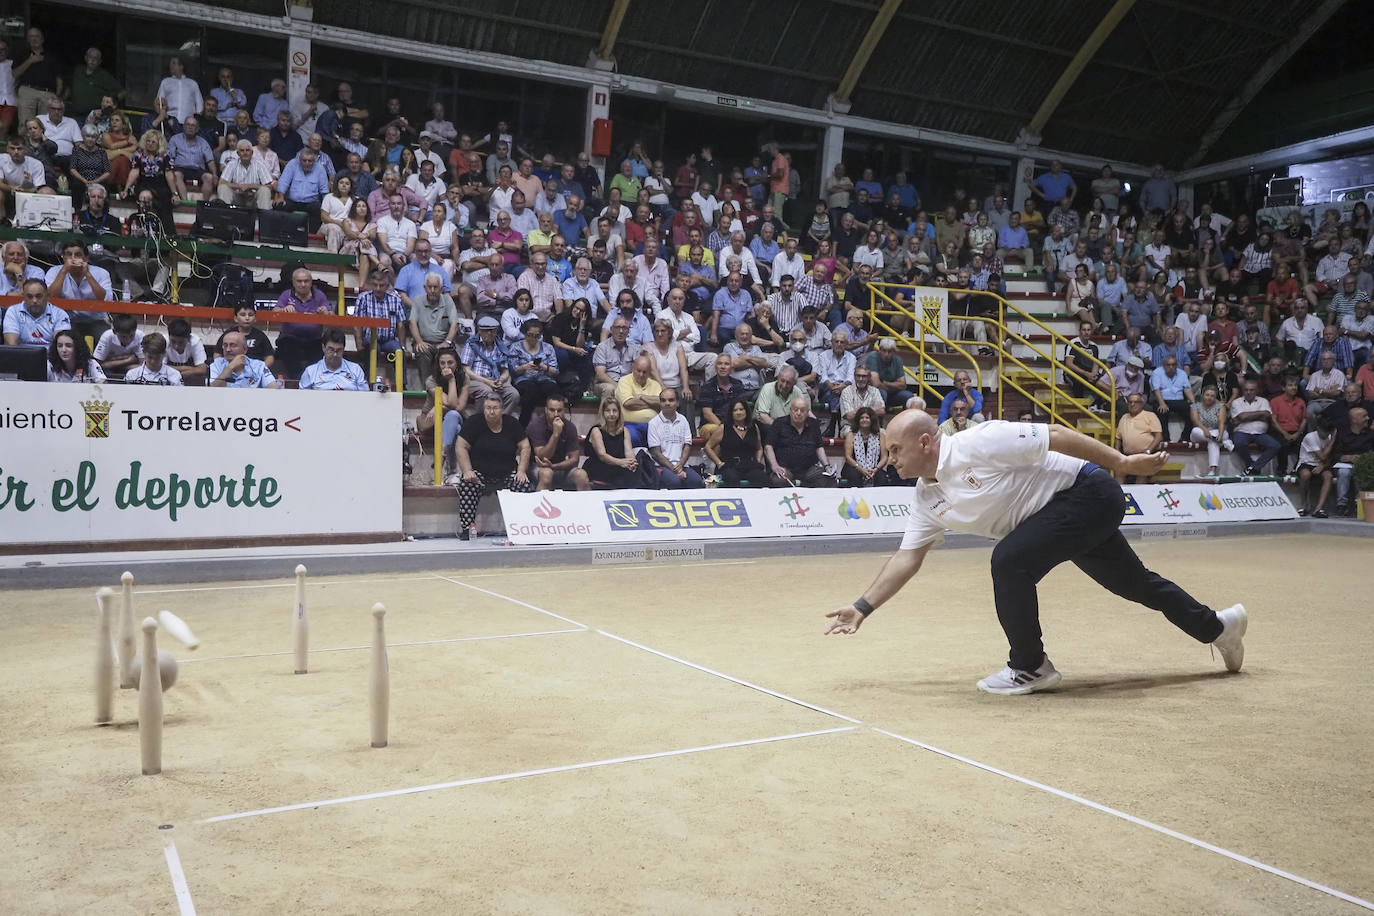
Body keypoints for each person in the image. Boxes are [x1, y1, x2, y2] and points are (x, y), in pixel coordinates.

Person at [822, 413, 1248, 694]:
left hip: (1087, 492)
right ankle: (1219, 628)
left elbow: (1056, 436)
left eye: (895, 449)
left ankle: (1030, 666)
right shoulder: (925, 498)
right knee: (1135, 584)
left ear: (926, 442)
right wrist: (863, 607)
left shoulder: (979, 441)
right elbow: (907, 557)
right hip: (1059, 516)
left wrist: (1124, 461)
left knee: (1009, 561)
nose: (889, 458)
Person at [453, 395, 533, 538]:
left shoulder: (512, 424)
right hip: (480, 474)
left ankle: (521, 527)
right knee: (467, 483)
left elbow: (525, 446)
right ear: (484, 409)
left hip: (507, 473)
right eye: (488, 408)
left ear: (502, 409)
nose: (491, 412)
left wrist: (521, 471)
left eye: (495, 408)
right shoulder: (473, 422)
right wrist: (467, 470)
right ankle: (467, 528)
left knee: (523, 484)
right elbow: (461, 446)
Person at [416, 348, 469, 478]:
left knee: (453, 416)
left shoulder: (464, 378)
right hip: (432, 422)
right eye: (442, 363)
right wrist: (439, 407)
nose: (446, 366)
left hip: (453, 417)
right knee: (455, 426)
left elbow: (459, 407)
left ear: (457, 363)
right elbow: (451, 404)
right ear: (438, 364)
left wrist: (440, 406)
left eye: (450, 362)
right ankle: (452, 472)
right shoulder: (431, 380)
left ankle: (441, 457)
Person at [766, 395, 838, 488]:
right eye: (795, 410)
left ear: (808, 412)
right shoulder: (779, 423)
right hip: (785, 468)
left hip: (809, 469)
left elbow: (819, 447)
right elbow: (768, 446)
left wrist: (827, 466)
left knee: (829, 479)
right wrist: (774, 465)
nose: (798, 413)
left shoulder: (814, 424)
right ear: (790, 410)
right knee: (778, 480)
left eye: (802, 410)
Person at [1317, 407, 1372, 517]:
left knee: (1361, 472)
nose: (1368, 418)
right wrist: (1345, 457)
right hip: (1344, 465)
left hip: (1363, 465)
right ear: (1354, 420)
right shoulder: (1342, 434)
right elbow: (1335, 454)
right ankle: (1342, 505)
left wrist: (1363, 458)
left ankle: (1359, 503)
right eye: (1364, 416)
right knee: (1344, 472)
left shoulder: (1371, 435)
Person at [526, 394, 589, 492]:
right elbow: (542, 457)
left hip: (560, 466)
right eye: (552, 410)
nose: (556, 414)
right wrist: (555, 435)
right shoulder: (536, 425)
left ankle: (586, 506)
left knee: (581, 475)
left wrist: (554, 466)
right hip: (538, 467)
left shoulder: (570, 427)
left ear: (564, 410)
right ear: (546, 410)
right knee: (547, 474)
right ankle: (540, 505)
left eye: (559, 410)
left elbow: (575, 460)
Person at [461, 315, 520, 416]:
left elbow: (505, 371)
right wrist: (488, 382)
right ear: (480, 331)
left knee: (514, 394)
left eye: (493, 331)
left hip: (495, 379)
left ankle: (499, 419)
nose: (490, 333)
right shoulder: (471, 344)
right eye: (486, 330)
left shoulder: (501, 346)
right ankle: (480, 420)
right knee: (487, 391)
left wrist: (500, 380)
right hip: (475, 380)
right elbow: (466, 370)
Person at [508, 316, 560, 426]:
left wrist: (544, 367)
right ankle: (523, 425)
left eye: (537, 336)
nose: (533, 338)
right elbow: (513, 371)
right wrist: (525, 367)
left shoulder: (548, 348)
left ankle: (553, 423)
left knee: (552, 389)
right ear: (525, 333)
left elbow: (555, 371)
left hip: (544, 377)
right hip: (523, 379)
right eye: (530, 335)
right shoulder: (515, 347)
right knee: (530, 391)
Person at [705, 398, 766, 487]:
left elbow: (759, 448)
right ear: (731, 413)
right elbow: (708, 447)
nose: (738, 412)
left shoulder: (754, 427)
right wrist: (719, 463)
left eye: (741, 409)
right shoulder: (723, 428)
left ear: (746, 411)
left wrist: (758, 460)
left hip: (749, 465)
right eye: (735, 410)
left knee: (762, 478)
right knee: (732, 478)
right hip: (729, 466)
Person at [583, 397, 641, 489]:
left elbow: (629, 451)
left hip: (618, 467)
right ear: (602, 413)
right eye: (608, 411)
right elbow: (602, 455)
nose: (611, 414)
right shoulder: (596, 430)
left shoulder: (625, 430)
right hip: (600, 467)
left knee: (636, 473)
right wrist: (621, 462)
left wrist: (631, 462)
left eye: (614, 411)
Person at [3, 277, 67, 346]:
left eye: (39, 296)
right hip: (21, 355)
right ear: (23, 297)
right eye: (29, 297)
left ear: (47, 296)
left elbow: (61, 345)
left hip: (49, 355)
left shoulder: (59, 314)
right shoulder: (13, 312)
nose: (34, 301)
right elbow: (11, 345)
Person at [298, 328, 367, 391]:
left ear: (344, 349)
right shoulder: (310, 372)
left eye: (339, 350)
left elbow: (365, 397)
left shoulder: (356, 370)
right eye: (331, 350)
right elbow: (301, 399)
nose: (335, 354)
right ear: (323, 348)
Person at [1188, 385, 1233, 476]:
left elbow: (1221, 422)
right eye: (1207, 395)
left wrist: (1220, 435)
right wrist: (1205, 430)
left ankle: (1212, 470)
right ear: (1203, 395)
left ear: (1215, 397)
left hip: (1217, 431)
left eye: (1212, 396)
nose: (1209, 398)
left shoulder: (1220, 406)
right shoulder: (1195, 406)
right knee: (1195, 431)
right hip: (1200, 432)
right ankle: (1224, 442)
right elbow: (1195, 421)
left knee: (1213, 441)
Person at [210, 328, 275, 388]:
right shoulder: (216, 364)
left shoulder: (259, 366)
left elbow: (273, 388)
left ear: (245, 349)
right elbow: (213, 391)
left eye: (233, 345)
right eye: (225, 345)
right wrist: (230, 367)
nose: (228, 349)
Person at [845, 406, 892, 486]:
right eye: (861, 418)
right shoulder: (851, 434)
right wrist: (861, 469)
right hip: (854, 467)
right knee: (854, 476)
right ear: (858, 420)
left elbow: (884, 457)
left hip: (875, 468)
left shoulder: (880, 435)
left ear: (872, 420)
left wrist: (875, 469)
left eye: (867, 418)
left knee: (882, 478)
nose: (864, 420)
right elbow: (848, 457)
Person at [91, 313, 143, 378]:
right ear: (114, 331)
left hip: (129, 369)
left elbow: (143, 365)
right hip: (109, 370)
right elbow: (97, 365)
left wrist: (113, 361)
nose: (128, 340)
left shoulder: (140, 335)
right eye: (124, 337)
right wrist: (127, 361)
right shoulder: (107, 336)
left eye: (132, 336)